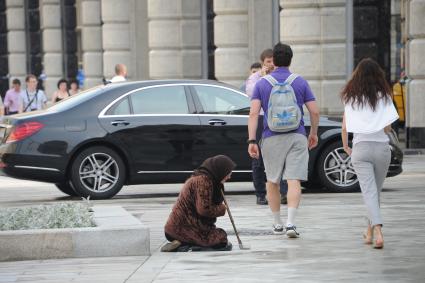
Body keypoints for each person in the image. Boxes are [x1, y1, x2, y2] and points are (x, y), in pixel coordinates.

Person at [247, 43, 319, 237]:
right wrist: (313, 133)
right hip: (297, 134)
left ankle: (277, 224)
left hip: (271, 137)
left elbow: (253, 114)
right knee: (294, 179)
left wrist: (252, 140)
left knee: (272, 181)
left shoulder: (262, 84)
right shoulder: (300, 82)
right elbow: (314, 111)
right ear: (290, 60)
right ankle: (291, 224)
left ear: (274, 61)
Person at [341, 58, 399, 249]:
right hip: (381, 149)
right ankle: (370, 232)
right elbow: (388, 127)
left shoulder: (350, 97)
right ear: (378, 76)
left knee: (369, 192)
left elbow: (345, 126)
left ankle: (378, 232)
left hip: (361, 148)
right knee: (375, 192)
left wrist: (346, 147)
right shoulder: (384, 96)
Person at [161, 155, 236, 252]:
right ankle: (187, 244)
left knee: (220, 236)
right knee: (221, 239)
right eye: (228, 173)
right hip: (181, 228)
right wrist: (221, 209)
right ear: (220, 170)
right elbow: (204, 210)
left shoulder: (209, 179)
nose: (229, 176)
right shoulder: (203, 181)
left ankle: (183, 242)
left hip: (181, 228)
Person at [245, 49, 288, 205]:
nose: (271, 64)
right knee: (258, 160)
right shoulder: (255, 78)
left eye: (273, 61)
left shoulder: (280, 76)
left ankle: (284, 193)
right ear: (263, 62)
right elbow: (250, 92)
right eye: (268, 61)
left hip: (278, 118)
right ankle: (260, 194)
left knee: (280, 156)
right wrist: (262, 77)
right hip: (261, 118)